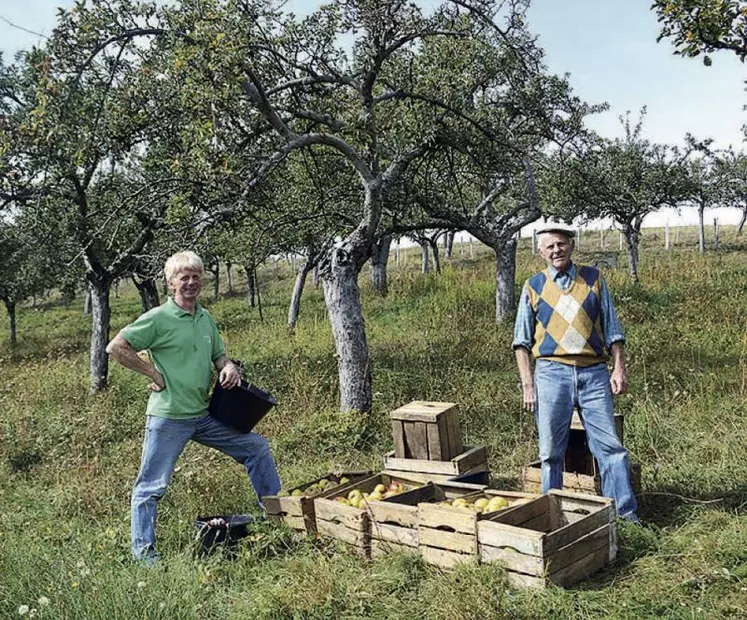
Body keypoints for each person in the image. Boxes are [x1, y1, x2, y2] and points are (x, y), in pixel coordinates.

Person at [107, 250, 282, 562]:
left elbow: (219, 356)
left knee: (257, 448)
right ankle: (144, 555)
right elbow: (116, 347)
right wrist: (152, 372)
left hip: (203, 416)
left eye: (195, 277)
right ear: (171, 283)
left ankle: (277, 519)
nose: (190, 283)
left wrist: (228, 367)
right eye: (183, 278)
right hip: (169, 417)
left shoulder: (204, 317)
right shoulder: (158, 318)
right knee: (150, 487)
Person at [512, 226, 639, 521]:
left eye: (561, 244)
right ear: (540, 253)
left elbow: (613, 330)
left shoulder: (594, 278)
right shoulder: (533, 286)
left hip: (594, 373)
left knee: (611, 449)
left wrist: (618, 367)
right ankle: (552, 517)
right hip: (550, 374)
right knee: (550, 453)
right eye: (549, 247)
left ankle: (625, 517)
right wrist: (528, 385)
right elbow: (521, 342)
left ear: (571, 245)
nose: (556, 250)